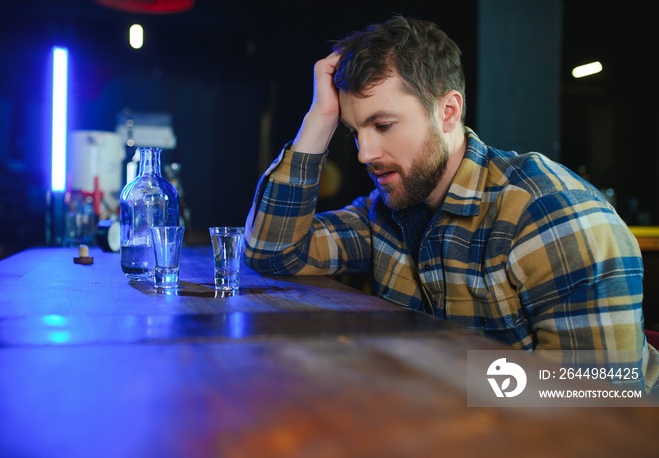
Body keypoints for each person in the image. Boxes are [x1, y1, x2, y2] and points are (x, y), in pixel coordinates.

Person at [243, 15, 658, 395]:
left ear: (448, 111)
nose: (364, 153)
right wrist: (320, 118)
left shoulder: (548, 214)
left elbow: (598, 397)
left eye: (383, 125)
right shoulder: (384, 210)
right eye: (352, 131)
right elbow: (272, 251)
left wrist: (431, 375)